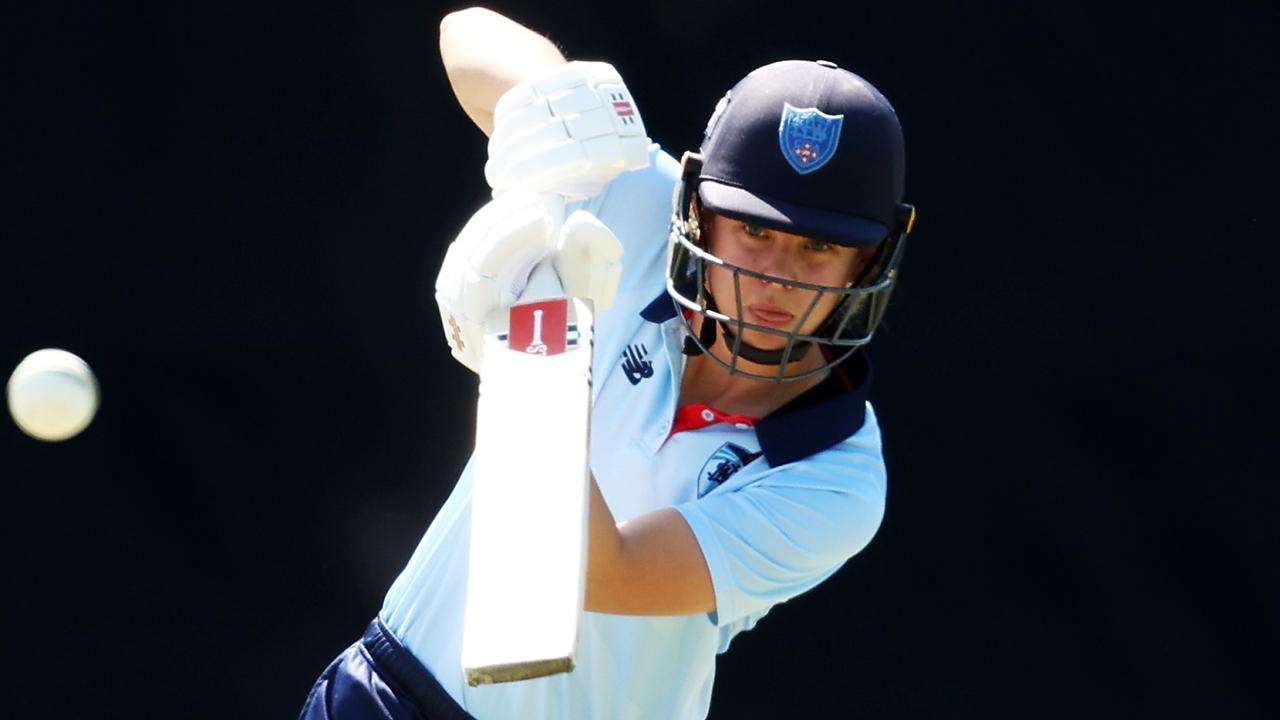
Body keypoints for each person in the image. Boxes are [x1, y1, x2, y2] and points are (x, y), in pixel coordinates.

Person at [300, 7, 916, 719]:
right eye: (752, 230)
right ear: (699, 210)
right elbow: (464, 34)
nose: (777, 275)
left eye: (818, 249)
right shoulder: (638, 203)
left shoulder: (840, 475)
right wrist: (565, 110)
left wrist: (528, 353)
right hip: (392, 694)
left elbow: (598, 572)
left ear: (868, 262)